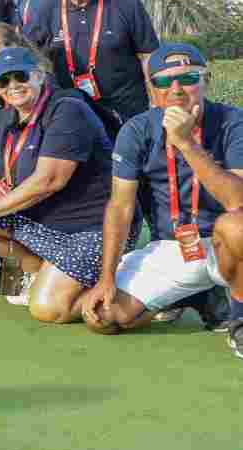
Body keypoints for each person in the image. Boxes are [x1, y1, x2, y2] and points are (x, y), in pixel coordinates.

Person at [79, 43, 243, 345]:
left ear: (207, 80)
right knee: (103, 315)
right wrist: (107, 278)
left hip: (232, 249)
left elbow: (237, 201)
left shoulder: (234, 122)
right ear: (152, 89)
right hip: (175, 246)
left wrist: (186, 144)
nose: (177, 89)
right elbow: (120, 207)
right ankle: (194, 296)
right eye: (165, 81)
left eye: (189, 78)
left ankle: (239, 317)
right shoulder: (137, 130)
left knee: (236, 226)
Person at [0, 47, 121, 318]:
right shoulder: (5, 117)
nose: (13, 86)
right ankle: (36, 270)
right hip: (41, 221)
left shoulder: (67, 109)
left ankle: (131, 289)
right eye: (4, 81)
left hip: (91, 228)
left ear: (40, 76)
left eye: (21, 76)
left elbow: (49, 180)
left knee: (47, 309)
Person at [27, 0, 158, 124]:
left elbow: (148, 57)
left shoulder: (126, 4)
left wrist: (156, 106)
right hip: (72, 114)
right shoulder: (46, 11)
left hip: (128, 113)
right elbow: (29, 58)